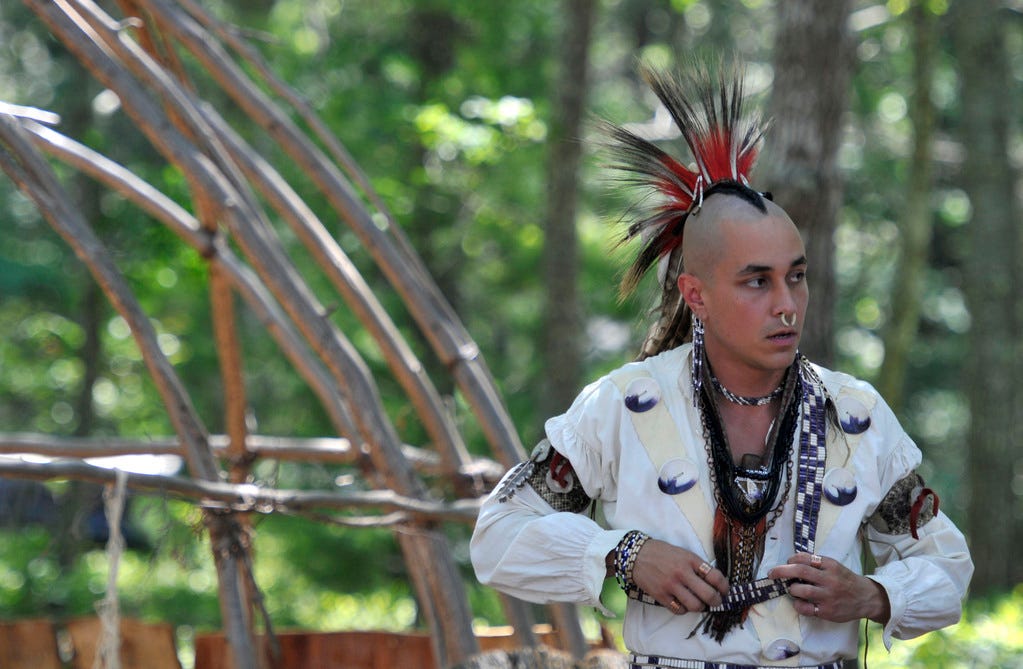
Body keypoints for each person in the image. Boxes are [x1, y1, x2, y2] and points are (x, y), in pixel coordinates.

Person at [470, 61, 972, 669]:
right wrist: (620, 554)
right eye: (757, 282)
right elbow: (496, 535)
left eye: (796, 276)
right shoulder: (623, 405)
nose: (787, 305)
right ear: (696, 295)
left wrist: (873, 594)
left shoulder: (853, 416)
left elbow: (945, 564)